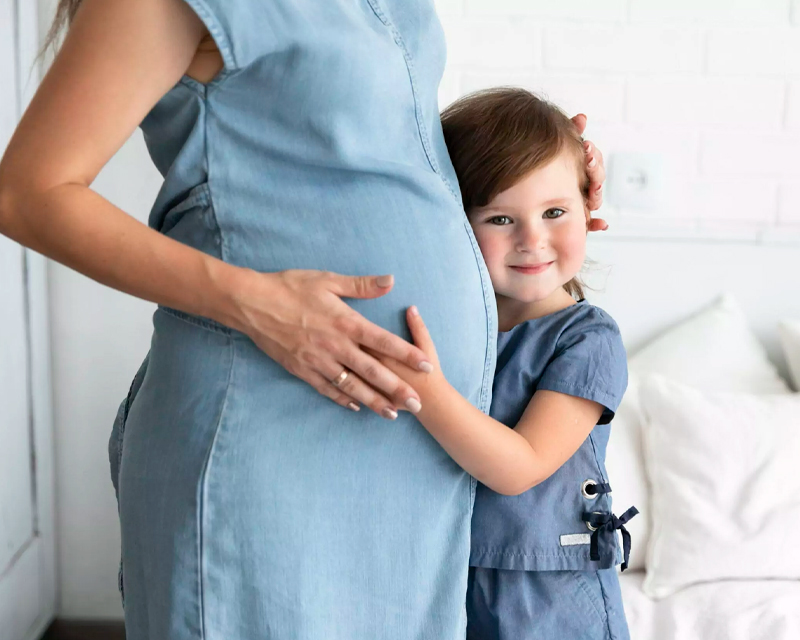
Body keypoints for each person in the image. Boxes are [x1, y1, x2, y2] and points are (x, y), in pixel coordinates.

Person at [0, 0, 608, 637]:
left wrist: (549, 171)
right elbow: (30, 194)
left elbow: (368, 146)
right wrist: (256, 303)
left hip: (400, 460)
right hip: (269, 426)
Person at [376, 88, 637, 640]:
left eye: (554, 212)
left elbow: (518, 467)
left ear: (588, 211)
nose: (532, 240)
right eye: (499, 218)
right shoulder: (452, 324)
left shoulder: (587, 340)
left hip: (548, 597)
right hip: (448, 575)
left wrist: (427, 387)